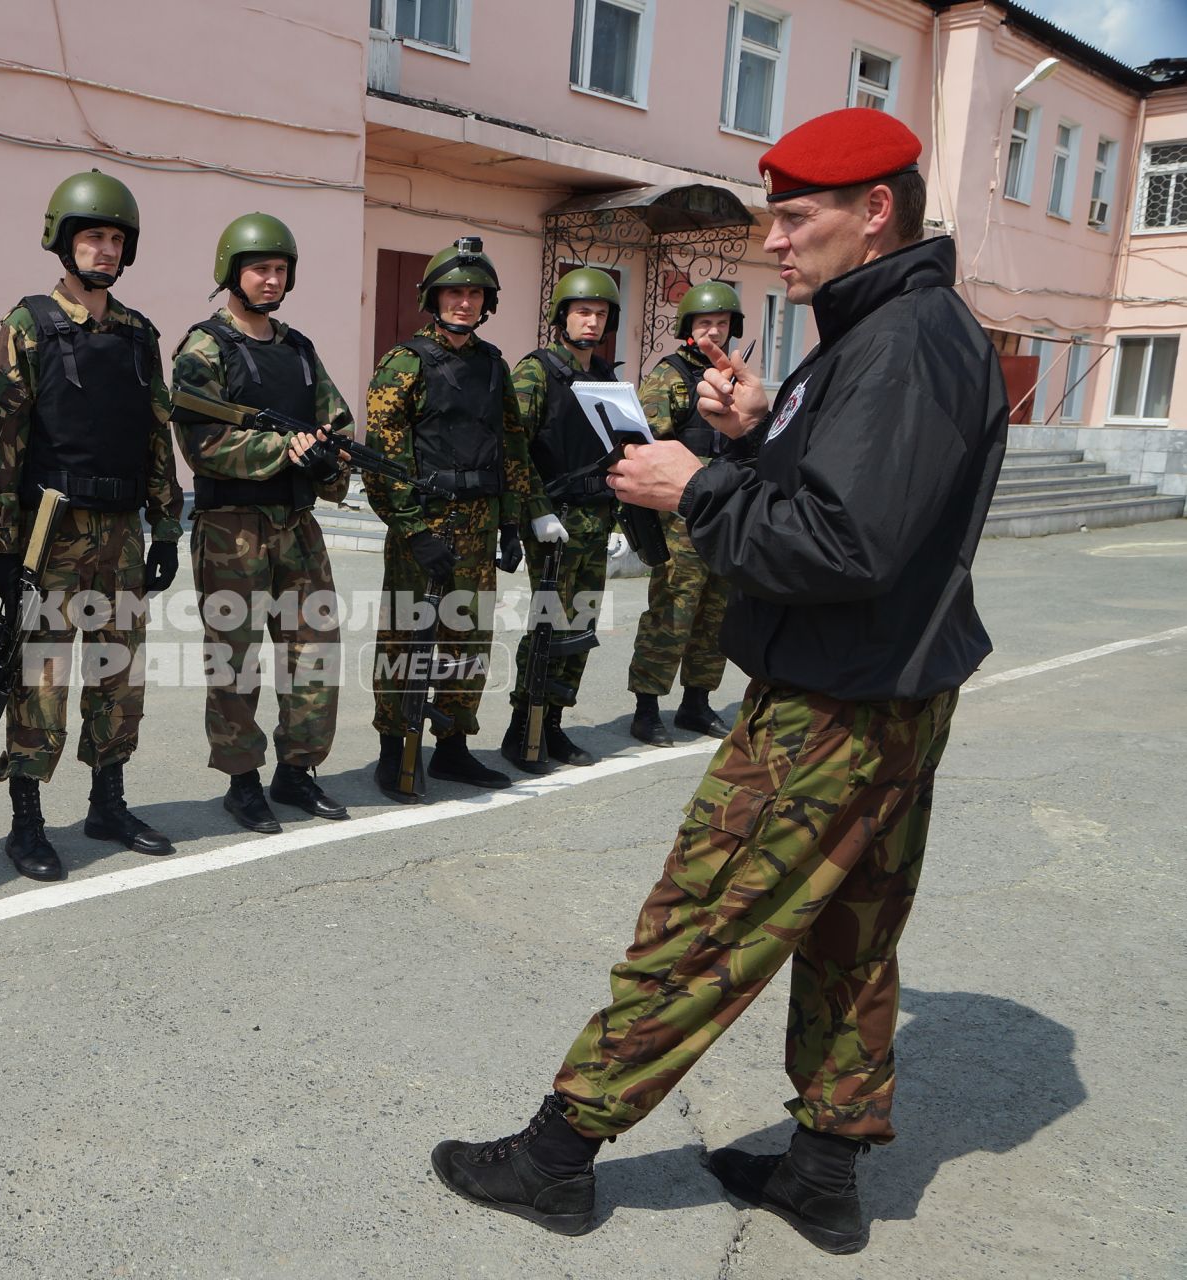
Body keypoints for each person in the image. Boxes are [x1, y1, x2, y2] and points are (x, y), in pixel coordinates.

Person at [430, 107, 1008, 1256]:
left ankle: (555, 1156)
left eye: (796, 217)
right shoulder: (891, 329)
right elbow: (848, 500)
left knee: (702, 915)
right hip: (887, 685)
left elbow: (842, 547)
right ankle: (823, 1170)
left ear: (875, 210)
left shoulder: (896, 341)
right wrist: (754, 431)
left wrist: (694, 485)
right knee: (850, 930)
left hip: (834, 697)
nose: (774, 244)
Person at [0, 170, 182, 881]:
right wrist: (3, 547)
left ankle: (109, 801)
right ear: (64, 242)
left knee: (117, 671)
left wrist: (169, 528)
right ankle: (26, 820)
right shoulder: (27, 326)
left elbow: (158, 436)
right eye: (91, 236)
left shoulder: (136, 334)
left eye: (114, 239)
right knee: (42, 675)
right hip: (49, 532)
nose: (103, 249)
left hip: (122, 530)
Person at [170, 213, 352, 833]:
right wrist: (284, 451)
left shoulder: (299, 351)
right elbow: (201, 444)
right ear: (232, 273)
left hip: (297, 523)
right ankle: (241, 780)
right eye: (259, 269)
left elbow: (336, 421)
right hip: (232, 527)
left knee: (314, 653)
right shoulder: (205, 348)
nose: (271, 280)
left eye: (280, 270)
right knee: (237, 659)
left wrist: (330, 459)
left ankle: (297, 771)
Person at [362, 237, 538, 801]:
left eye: (474, 293)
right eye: (453, 292)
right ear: (433, 299)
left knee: (470, 639)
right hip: (425, 525)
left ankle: (453, 749)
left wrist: (511, 521)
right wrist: (412, 530)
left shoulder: (491, 364)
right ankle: (395, 749)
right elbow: (384, 458)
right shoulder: (404, 362)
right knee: (405, 641)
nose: (464, 302)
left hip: (479, 523)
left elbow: (512, 442)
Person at [501, 267, 621, 774]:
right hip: (556, 518)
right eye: (582, 312)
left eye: (599, 314)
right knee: (550, 624)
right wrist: (535, 513)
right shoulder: (535, 372)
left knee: (582, 624)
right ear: (562, 317)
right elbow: (514, 449)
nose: (591, 322)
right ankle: (522, 725)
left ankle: (553, 722)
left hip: (596, 517)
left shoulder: (608, 379)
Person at [624, 282, 740, 746]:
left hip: (727, 510)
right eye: (704, 323)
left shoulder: (735, 376)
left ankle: (697, 702)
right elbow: (648, 445)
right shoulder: (668, 377)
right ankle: (646, 708)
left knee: (717, 612)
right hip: (681, 518)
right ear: (687, 328)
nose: (713, 331)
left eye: (722, 323)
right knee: (673, 610)